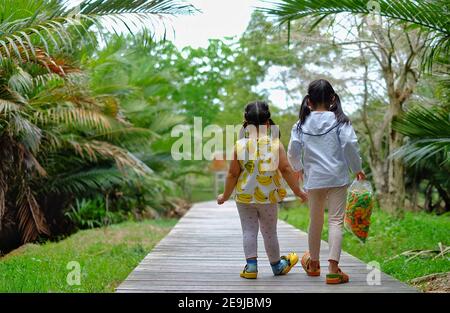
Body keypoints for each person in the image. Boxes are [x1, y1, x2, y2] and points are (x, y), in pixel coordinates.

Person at [217, 101, 308, 279]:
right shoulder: (275, 145)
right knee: (269, 232)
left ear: (245, 121)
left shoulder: (239, 146)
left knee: (248, 231)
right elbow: (287, 170)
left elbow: (232, 174)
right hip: (268, 197)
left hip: (244, 197)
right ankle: (277, 265)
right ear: (268, 123)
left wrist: (225, 195)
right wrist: (298, 191)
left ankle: (251, 268)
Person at [287, 79, 365, 284]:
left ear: (309, 102)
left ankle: (313, 264)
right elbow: (350, 144)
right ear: (332, 99)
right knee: (336, 221)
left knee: (316, 221)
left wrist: (298, 168)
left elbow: (293, 151)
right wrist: (356, 168)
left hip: (314, 179)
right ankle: (332, 269)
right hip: (338, 177)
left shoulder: (300, 124)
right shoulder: (340, 121)